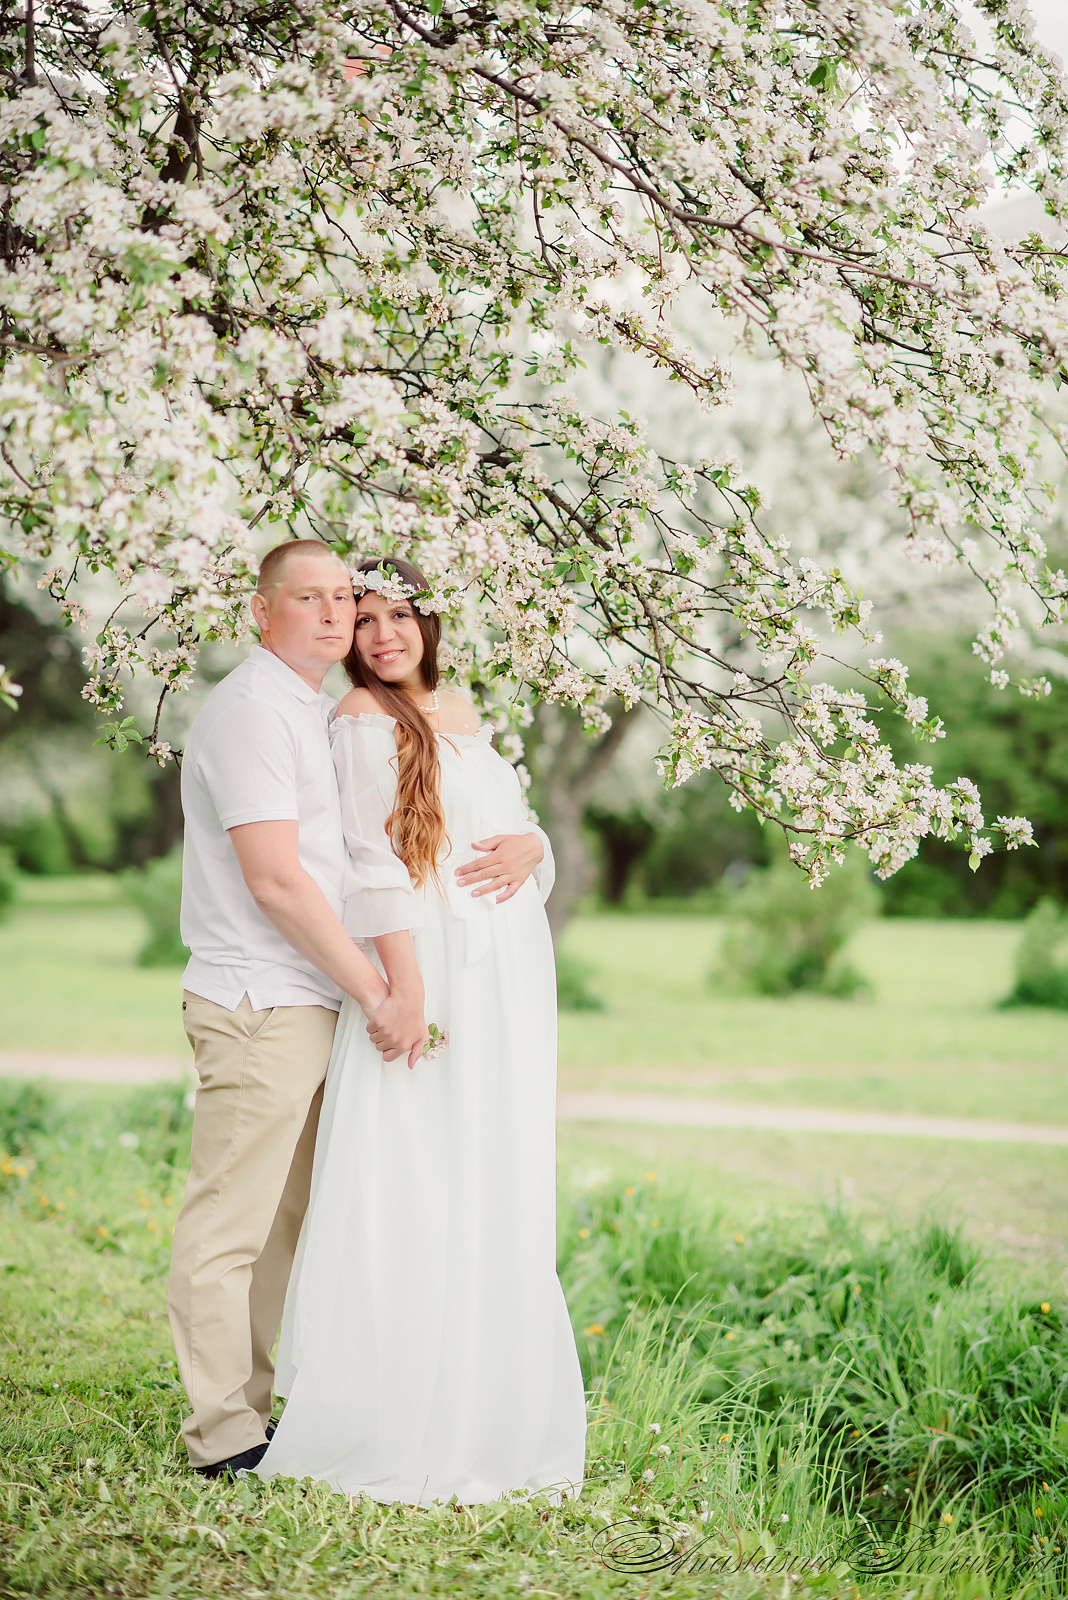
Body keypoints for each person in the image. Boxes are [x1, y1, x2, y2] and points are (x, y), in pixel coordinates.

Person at [255, 556, 587, 1504]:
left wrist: (539, 846)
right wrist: (403, 988)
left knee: (492, 1162)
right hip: (429, 967)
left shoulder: (466, 706)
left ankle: (490, 1401)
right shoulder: (361, 721)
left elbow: (512, 834)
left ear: (429, 621)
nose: (383, 634)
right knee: (414, 1159)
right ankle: (395, 1405)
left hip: (509, 979)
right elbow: (372, 863)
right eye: (364, 621)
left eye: (398, 614)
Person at [170, 540, 429, 1480]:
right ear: (260, 609)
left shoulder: (309, 709)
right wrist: (379, 992)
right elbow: (276, 881)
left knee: (287, 1225)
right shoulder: (249, 714)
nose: (331, 614)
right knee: (228, 1226)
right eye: (308, 598)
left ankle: (257, 1408)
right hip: (259, 1001)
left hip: (309, 1000)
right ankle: (221, 1435)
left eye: (342, 599)